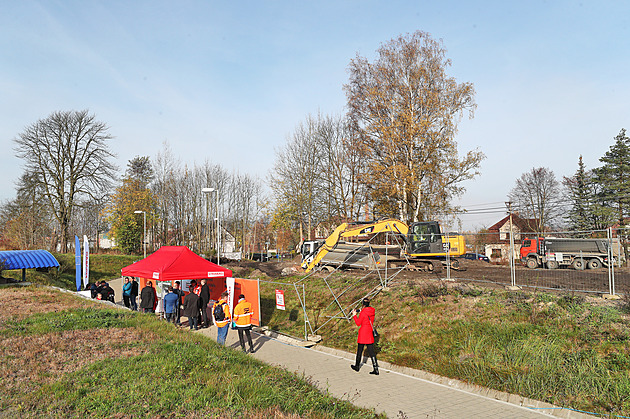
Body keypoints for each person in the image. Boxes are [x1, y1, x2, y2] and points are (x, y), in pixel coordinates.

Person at [350, 298, 379, 375]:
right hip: (369, 333)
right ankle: (376, 369)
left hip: (363, 333)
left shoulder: (363, 312)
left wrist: (354, 315)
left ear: (362, 303)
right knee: (371, 351)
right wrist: (360, 310)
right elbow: (366, 312)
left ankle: (357, 366)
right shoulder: (372, 311)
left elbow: (358, 323)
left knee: (360, 350)